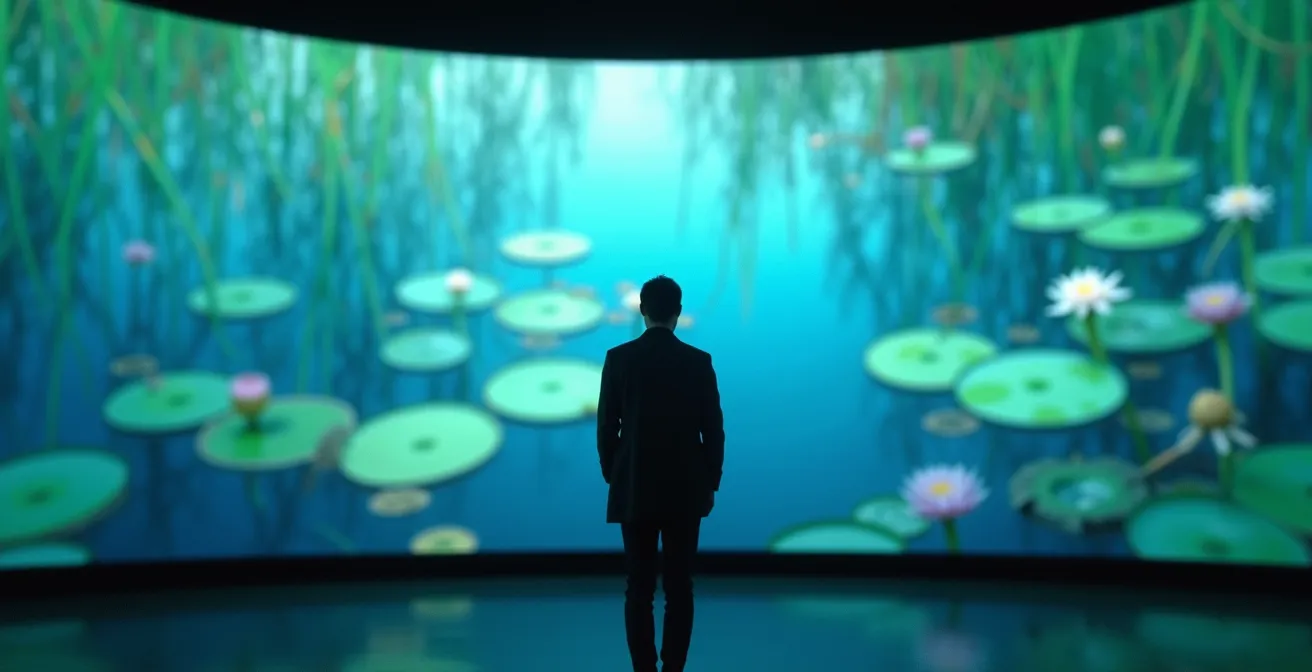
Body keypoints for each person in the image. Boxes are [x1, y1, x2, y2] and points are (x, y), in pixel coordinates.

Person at [596, 275, 725, 672]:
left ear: (641, 310)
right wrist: (710, 482)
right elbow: (714, 431)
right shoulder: (698, 362)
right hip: (685, 492)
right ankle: (673, 669)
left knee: (638, 588)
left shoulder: (618, 359)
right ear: (678, 312)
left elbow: (606, 429)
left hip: (633, 487)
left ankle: (643, 670)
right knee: (679, 589)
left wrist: (615, 475)